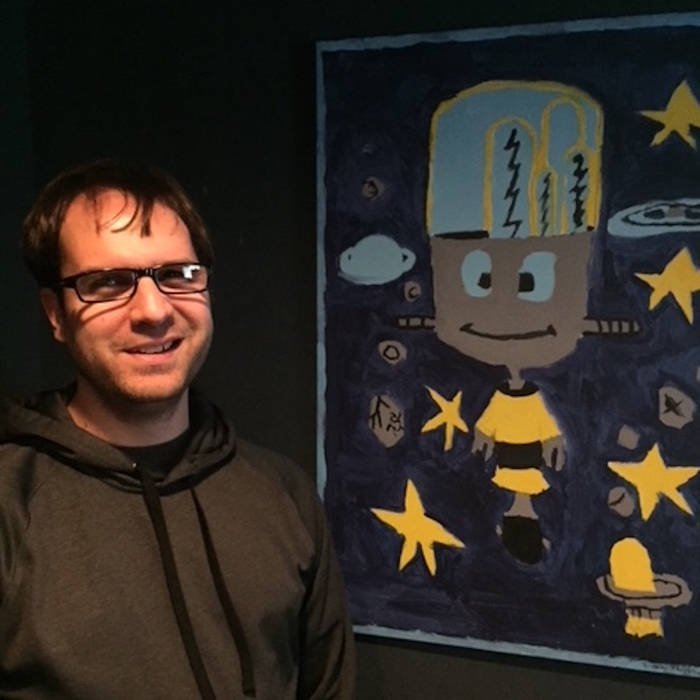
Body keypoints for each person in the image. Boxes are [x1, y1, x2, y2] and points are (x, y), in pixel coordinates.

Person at [0, 159, 356, 699]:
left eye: (177, 275)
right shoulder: (10, 500)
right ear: (55, 314)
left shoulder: (283, 492)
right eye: (108, 283)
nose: (153, 310)